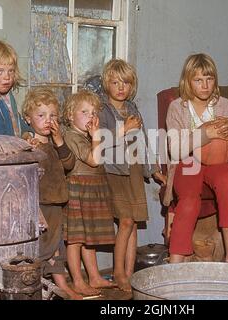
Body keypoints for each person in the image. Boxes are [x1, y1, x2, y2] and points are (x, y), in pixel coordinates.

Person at [164, 53, 228, 264]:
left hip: (218, 162)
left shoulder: (224, 104)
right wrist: (206, 134)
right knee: (189, 200)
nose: (205, 85)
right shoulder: (177, 108)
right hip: (188, 161)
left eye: (209, 79)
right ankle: (175, 262)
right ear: (187, 81)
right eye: (198, 80)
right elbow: (175, 149)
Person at [97, 59, 166, 292]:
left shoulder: (133, 108)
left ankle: (129, 272)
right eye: (115, 82)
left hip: (134, 169)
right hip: (114, 171)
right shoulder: (102, 110)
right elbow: (100, 142)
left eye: (125, 83)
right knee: (125, 221)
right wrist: (123, 129)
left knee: (133, 222)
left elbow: (143, 140)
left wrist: (154, 169)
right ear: (107, 84)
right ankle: (117, 271)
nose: (120, 87)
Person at [22, 88, 82, 300]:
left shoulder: (57, 142)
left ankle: (63, 285)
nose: (48, 120)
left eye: (53, 115)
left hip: (58, 202)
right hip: (40, 204)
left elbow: (69, 164)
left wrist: (59, 141)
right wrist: (28, 143)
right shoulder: (29, 142)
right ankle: (35, 286)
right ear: (28, 118)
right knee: (42, 247)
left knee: (58, 247)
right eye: (41, 115)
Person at [62, 90, 117, 296]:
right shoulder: (71, 136)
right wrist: (96, 138)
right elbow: (93, 160)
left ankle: (94, 277)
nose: (91, 117)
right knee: (76, 239)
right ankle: (77, 280)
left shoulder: (85, 136)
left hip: (92, 188)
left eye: (94, 112)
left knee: (89, 238)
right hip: (78, 190)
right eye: (84, 112)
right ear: (70, 115)